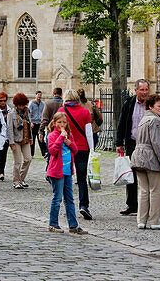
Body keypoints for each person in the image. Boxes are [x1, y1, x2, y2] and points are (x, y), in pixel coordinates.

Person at [116, 79, 160, 216]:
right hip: (133, 143)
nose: (144, 93)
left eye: (146, 90)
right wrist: (119, 143)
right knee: (131, 175)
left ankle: (148, 207)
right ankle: (132, 205)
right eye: (142, 90)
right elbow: (122, 123)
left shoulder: (154, 104)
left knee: (150, 175)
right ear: (136, 90)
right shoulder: (129, 103)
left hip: (149, 145)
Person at [130, 93, 160, 229]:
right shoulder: (156, 121)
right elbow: (158, 143)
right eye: (159, 106)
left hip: (138, 157)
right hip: (151, 158)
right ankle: (155, 221)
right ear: (151, 106)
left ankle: (141, 220)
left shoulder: (143, 120)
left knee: (144, 190)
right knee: (155, 190)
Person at [45, 111, 85, 235]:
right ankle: (53, 223)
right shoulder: (52, 135)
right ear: (54, 123)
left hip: (67, 171)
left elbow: (75, 150)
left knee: (69, 198)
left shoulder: (69, 135)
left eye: (64, 122)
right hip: (56, 171)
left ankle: (73, 225)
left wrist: (69, 142)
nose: (62, 124)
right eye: (59, 122)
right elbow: (52, 151)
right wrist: (60, 138)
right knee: (57, 198)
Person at [61, 89, 95, 220]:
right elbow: (88, 133)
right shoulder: (85, 112)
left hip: (66, 149)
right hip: (82, 148)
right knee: (82, 179)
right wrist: (92, 150)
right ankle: (84, 205)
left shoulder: (61, 112)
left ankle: (68, 206)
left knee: (66, 178)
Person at [7, 92, 33, 189]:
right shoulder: (11, 113)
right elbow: (9, 128)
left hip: (25, 139)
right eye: (19, 105)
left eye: (23, 105)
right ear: (16, 104)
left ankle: (21, 178)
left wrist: (31, 138)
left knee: (28, 159)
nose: (21, 107)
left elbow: (30, 125)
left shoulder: (27, 112)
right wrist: (11, 142)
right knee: (17, 162)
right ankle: (16, 181)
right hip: (16, 140)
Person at [39, 87, 65, 158]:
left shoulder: (48, 104)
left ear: (53, 94)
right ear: (61, 94)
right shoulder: (64, 104)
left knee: (51, 155)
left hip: (51, 131)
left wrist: (41, 131)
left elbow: (44, 120)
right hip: (63, 132)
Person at [0, 92, 10, 180]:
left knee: (4, 155)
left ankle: (2, 172)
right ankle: (0, 171)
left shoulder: (10, 110)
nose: (2, 102)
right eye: (1, 101)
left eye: (4, 101)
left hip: (6, 136)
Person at [28, 92, 45, 157]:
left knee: (41, 139)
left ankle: (44, 153)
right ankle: (31, 154)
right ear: (35, 95)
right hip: (33, 123)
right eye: (38, 95)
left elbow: (44, 113)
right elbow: (29, 113)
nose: (39, 96)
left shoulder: (43, 104)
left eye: (40, 95)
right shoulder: (31, 103)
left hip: (40, 124)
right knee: (32, 139)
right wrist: (30, 122)